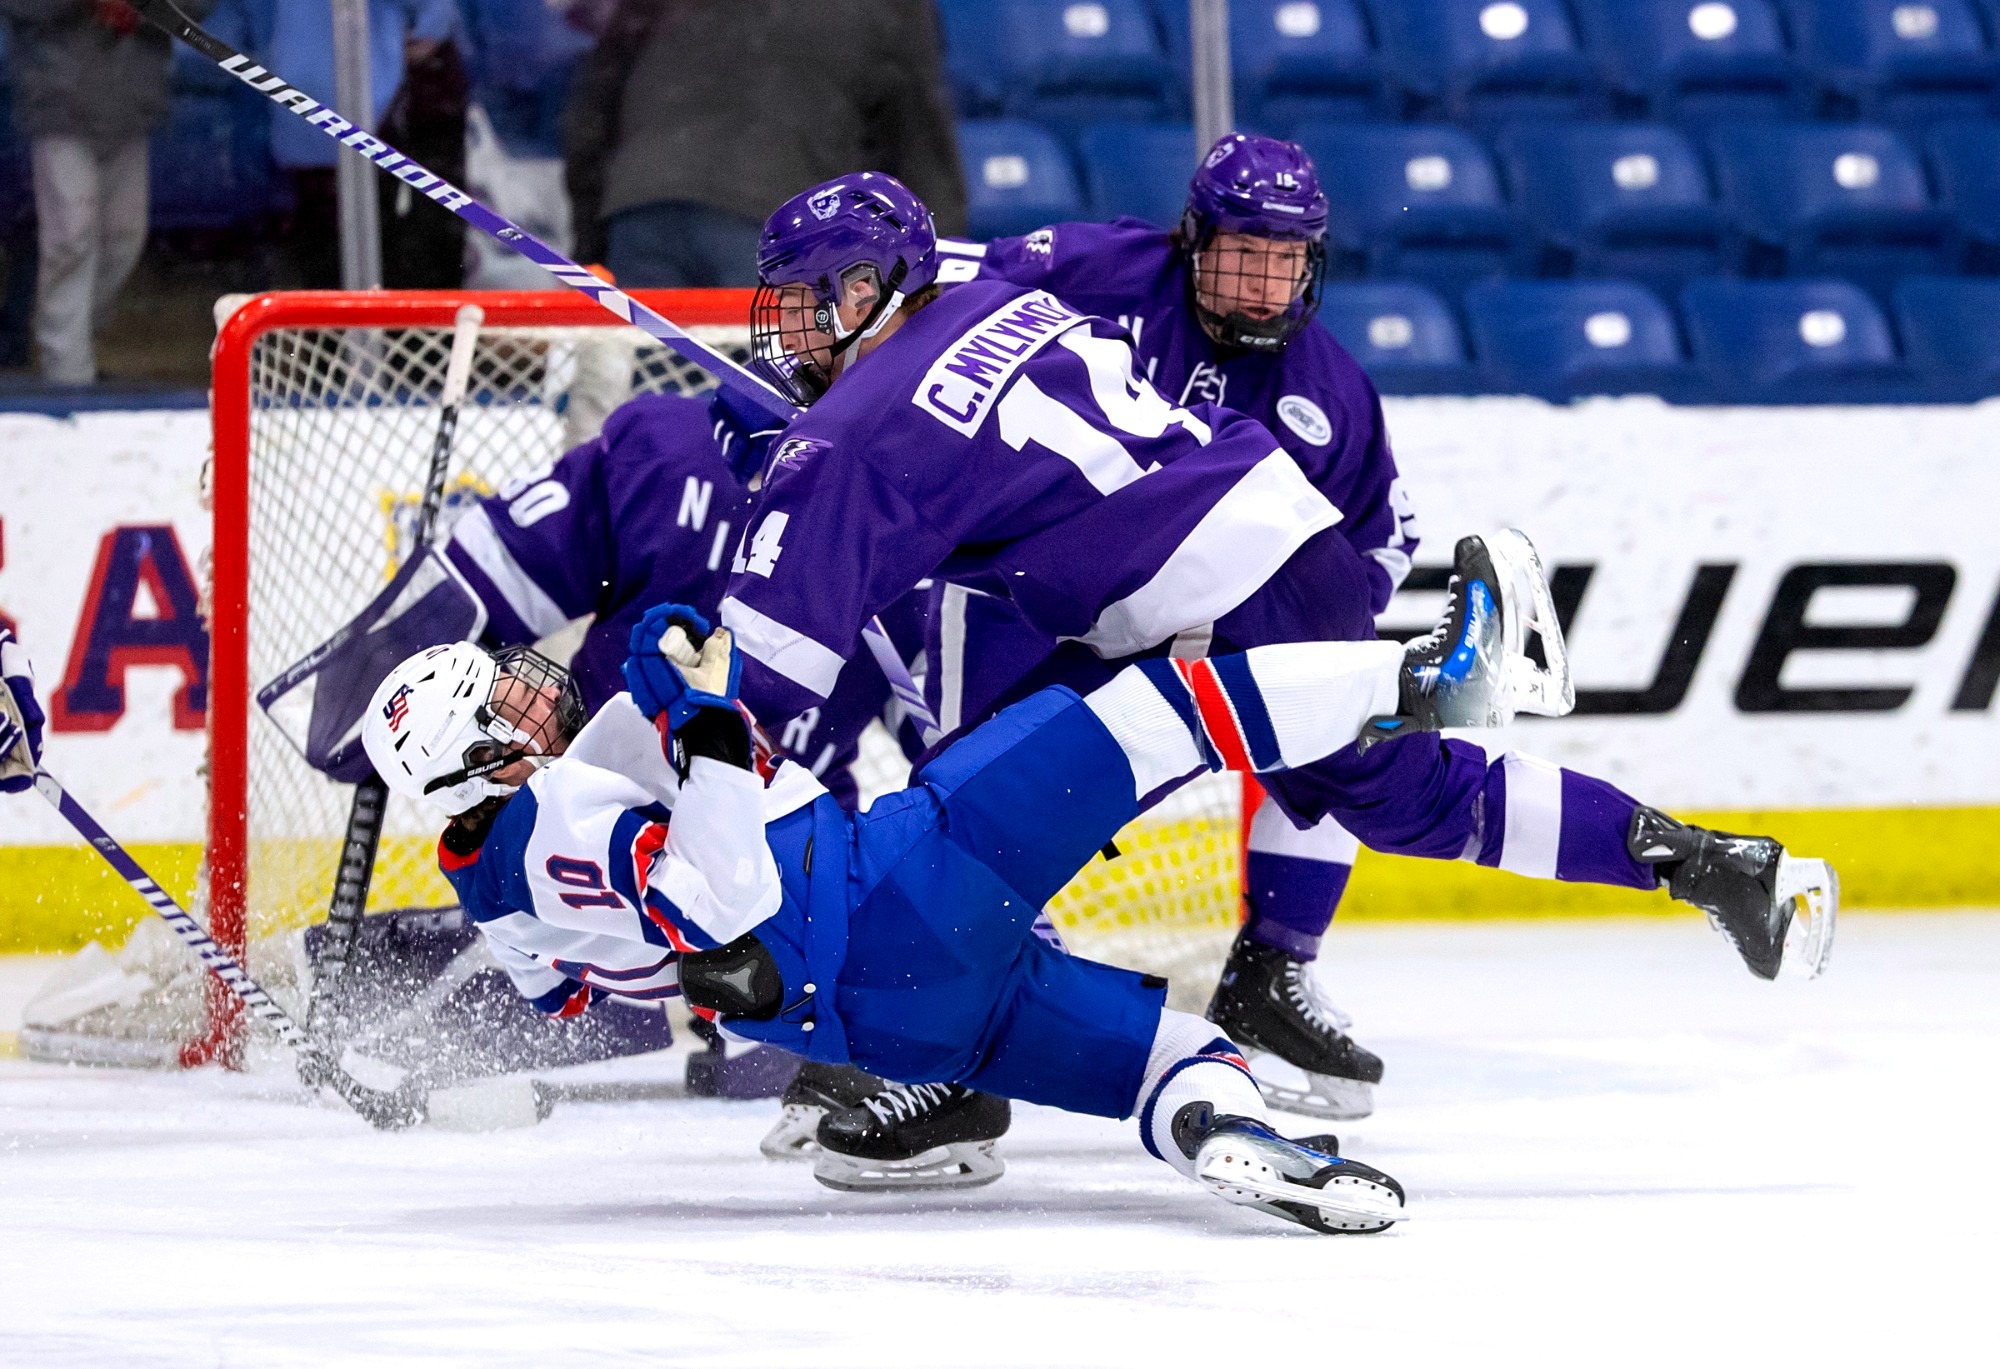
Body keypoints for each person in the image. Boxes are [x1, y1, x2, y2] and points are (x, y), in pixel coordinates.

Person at [697, 169, 1836, 1181]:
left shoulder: (860, 427)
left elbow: (770, 672)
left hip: (1191, 587)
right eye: (790, 305)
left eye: (815, 304)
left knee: (1007, 805)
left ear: (873, 289)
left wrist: (787, 470)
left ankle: (1439, 693)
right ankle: (1697, 858)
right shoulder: (975, 289)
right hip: (1221, 543)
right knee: (1011, 784)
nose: (795, 331)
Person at [355, 536, 1580, 1227]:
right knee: (1152, 714)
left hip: (883, 1021)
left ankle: (1230, 1137)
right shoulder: (556, 807)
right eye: (503, 697)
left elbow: (573, 991)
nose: (529, 686)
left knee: (1162, 1050)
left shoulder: (494, 879)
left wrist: (658, 719)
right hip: (890, 887)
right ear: (481, 753)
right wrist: (713, 726)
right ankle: (1447, 673)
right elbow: (706, 903)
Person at [925, 134, 1410, 1120]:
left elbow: (1382, 538)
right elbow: (942, 277)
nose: (1259, 281)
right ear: (1189, 239)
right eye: (1239, 253)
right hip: (1036, 590)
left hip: (1205, 621)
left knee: (1352, 709)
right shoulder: (1099, 269)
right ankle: (973, 980)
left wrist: (1307, 636)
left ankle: (1270, 969)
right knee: (982, 768)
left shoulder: (1331, 390)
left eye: (1283, 259)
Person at [561, 0, 965, 287]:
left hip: (643, 207)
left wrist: (591, 244)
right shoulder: (895, 10)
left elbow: (592, 117)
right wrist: (938, 269)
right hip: (770, 212)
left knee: (653, 387)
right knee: (768, 392)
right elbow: (920, 139)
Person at [0, 0, 213, 384]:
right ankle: (66, 374)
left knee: (123, 238)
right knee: (70, 238)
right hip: (57, 101)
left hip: (132, 103)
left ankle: (73, 348)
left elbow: (198, 6)